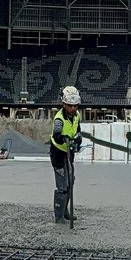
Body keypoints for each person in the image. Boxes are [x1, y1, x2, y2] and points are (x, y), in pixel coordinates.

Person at [50, 87, 84, 225]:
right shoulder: (59, 119)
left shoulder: (76, 116)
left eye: (75, 105)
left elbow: (78, 130)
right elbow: (56, 135)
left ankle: (65, 211)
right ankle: (59, 217)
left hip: (69, 153)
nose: (73, 108)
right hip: (58, 153)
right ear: (64, 104)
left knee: (71, 181)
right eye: (70, 105)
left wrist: (78, 138)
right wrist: (63, 138)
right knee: (62, 185)